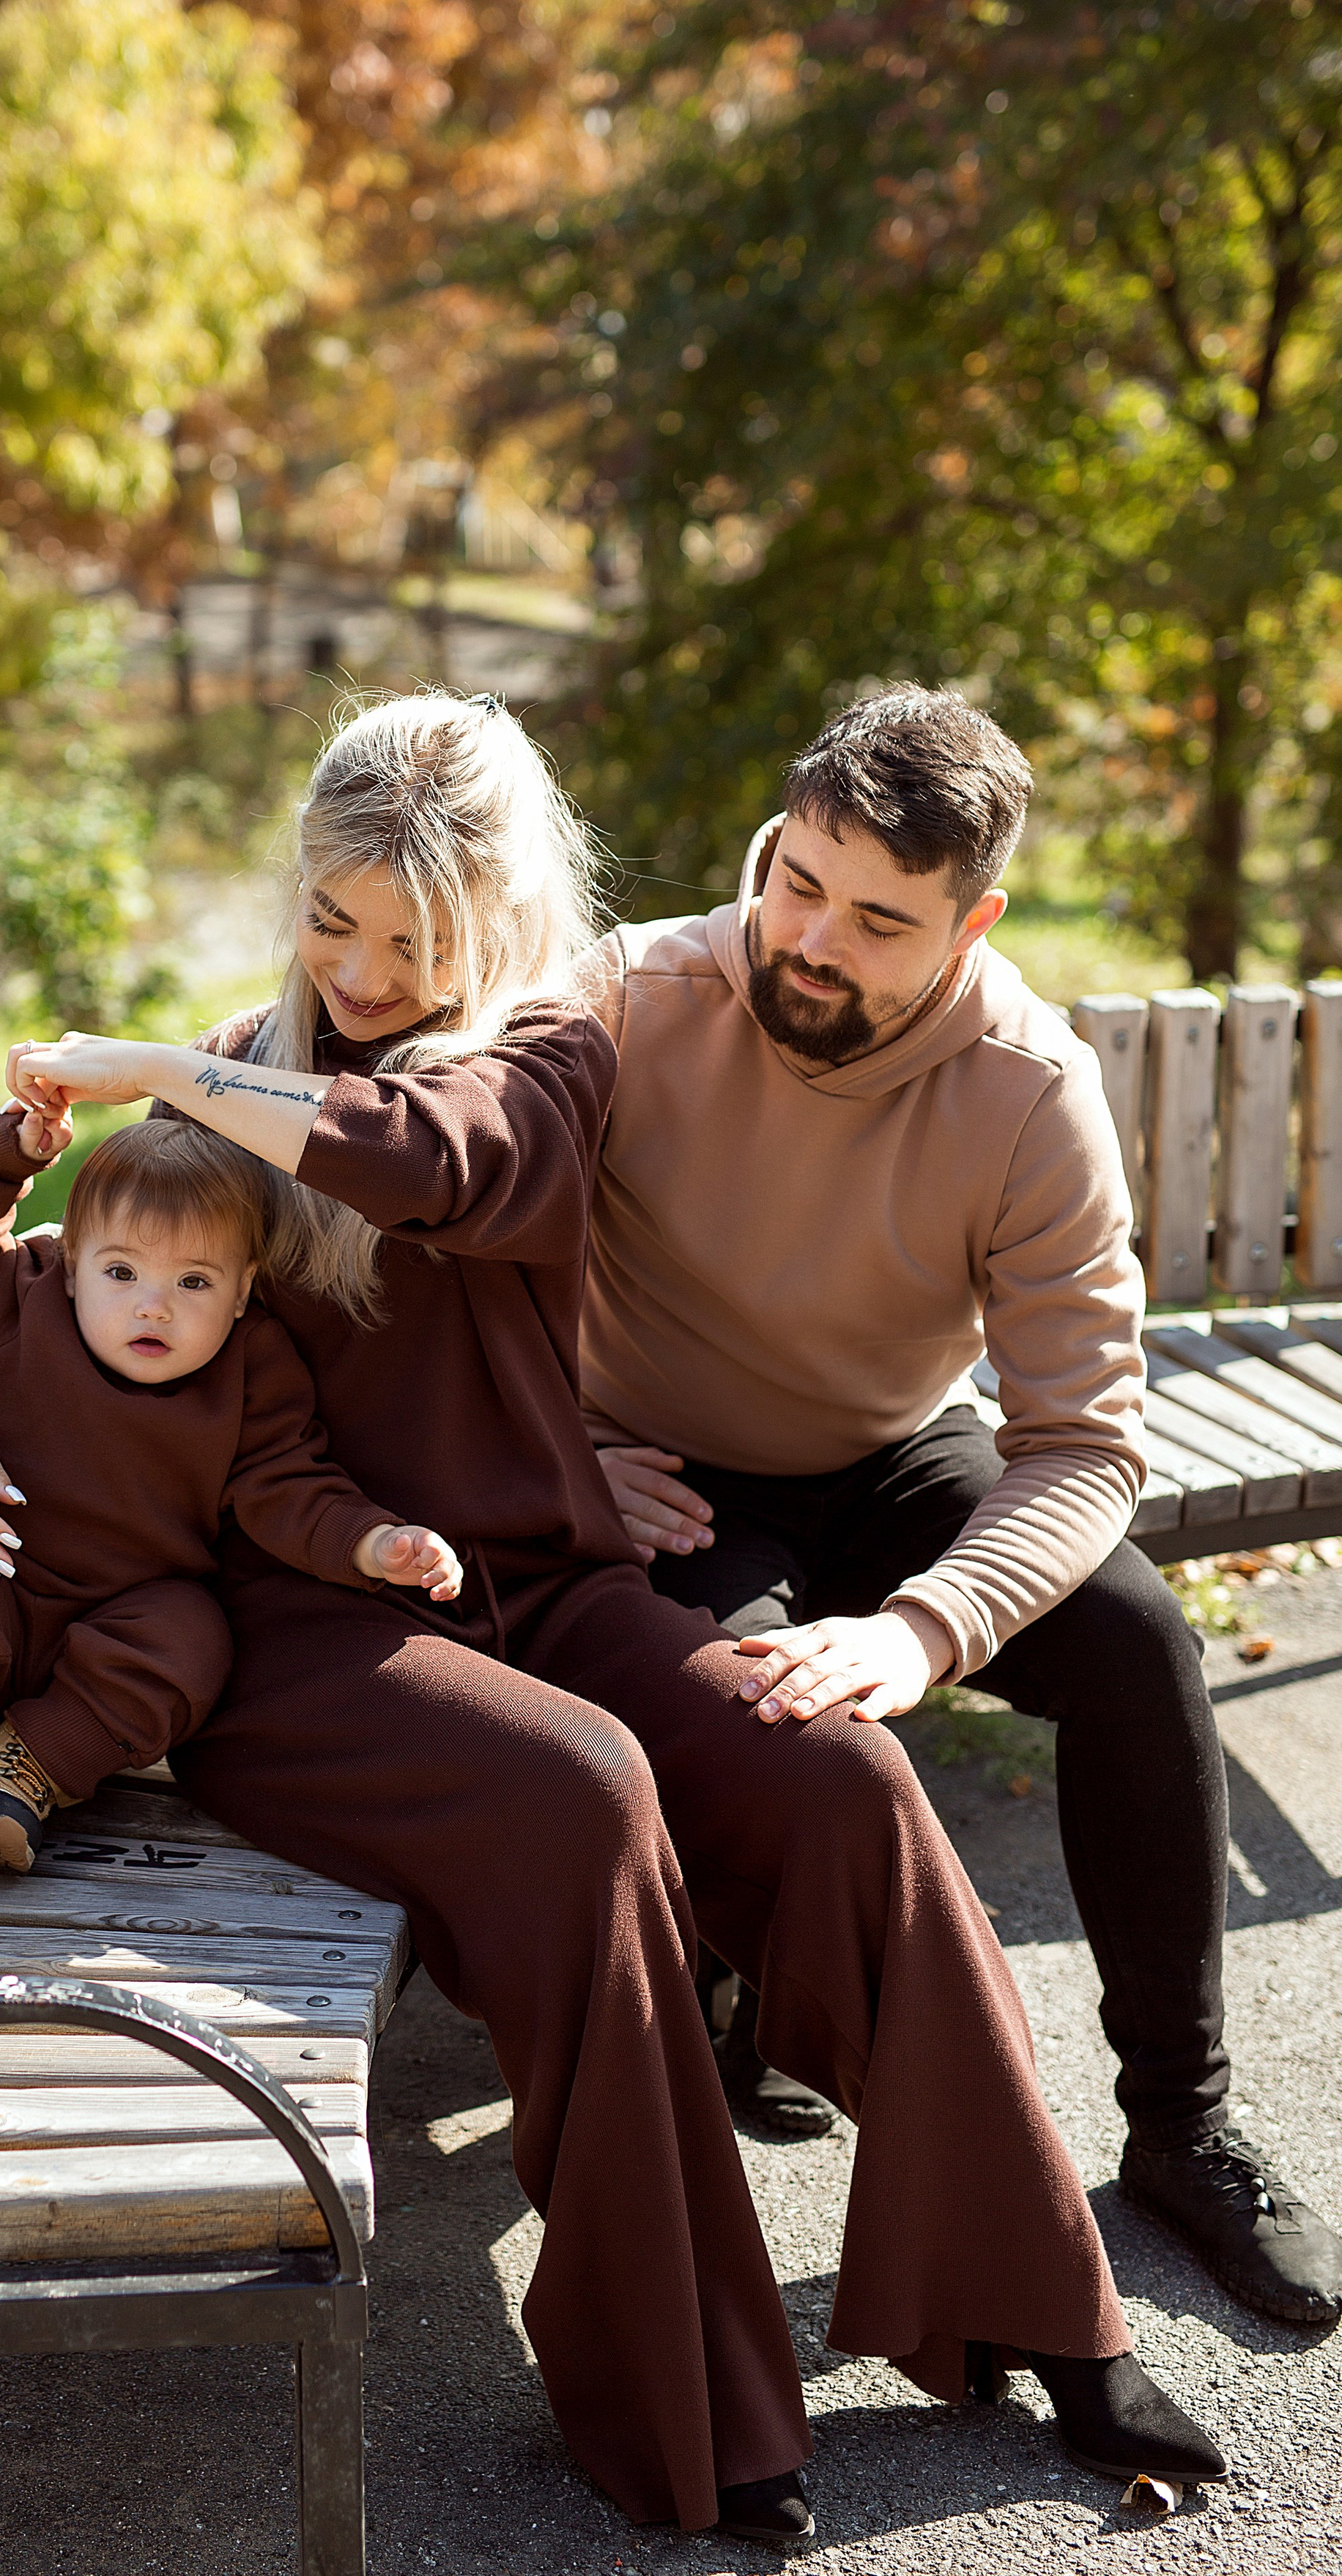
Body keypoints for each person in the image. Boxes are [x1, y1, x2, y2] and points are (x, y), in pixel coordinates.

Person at [0, 691, 1225, 2547]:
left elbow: (423, 1161)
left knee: (830, 1766)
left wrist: (163, 1065)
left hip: (540, 1581)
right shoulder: (224, 1072)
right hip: (300, 1625)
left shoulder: (536, 1055)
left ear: (497, 926)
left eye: (416, 941)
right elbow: (78, 1275)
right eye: (334, 923)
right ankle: (673, 2388)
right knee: (584, 1793)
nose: (365, 972)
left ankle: (1033, 2304)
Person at [583, 683, 1342, 2331]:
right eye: (794, 880)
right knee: (773, 1719)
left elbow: (1082, 1445)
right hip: (648, 1468)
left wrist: (930, 1627)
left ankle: (1182, 2133)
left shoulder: (1025, 1085)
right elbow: (398, 1185)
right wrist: (543, 1457)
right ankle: (734, 2012)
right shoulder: (629, 994)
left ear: (969, 923)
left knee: (1139, 1648)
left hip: (885, 1447)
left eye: (875, 921)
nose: (808, 938)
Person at [0, 1105, 461, 1912]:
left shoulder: (254, 1372)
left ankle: (22, 1775)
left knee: (190, 1643)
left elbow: (292, 1486)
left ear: (242, 1294)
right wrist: (5, 1156)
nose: (152, 1307)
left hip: (130, 1604)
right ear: (71, 1266)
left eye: (193, 1282)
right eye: (121, 1272)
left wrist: (374, 1542)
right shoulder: (23, 1304)